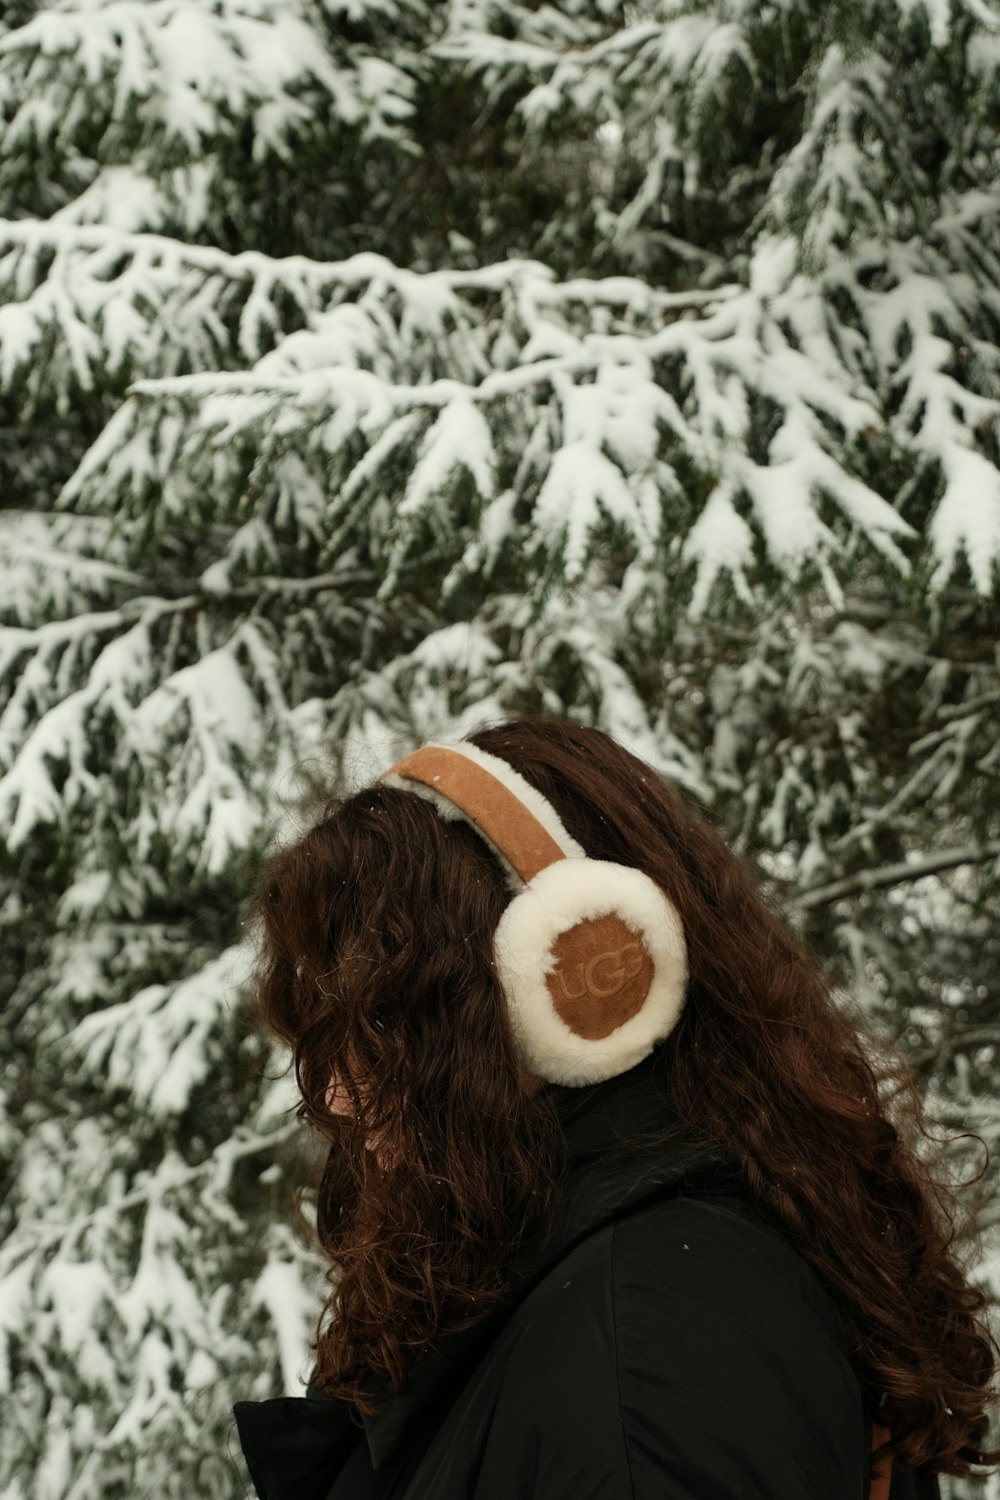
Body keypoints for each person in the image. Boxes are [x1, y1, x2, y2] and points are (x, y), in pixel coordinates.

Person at [233, 718, 998, 1499]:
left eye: (388, 1024)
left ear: (576, 983)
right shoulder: (589, 1291)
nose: (335, 1094)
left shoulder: (655, 1346)